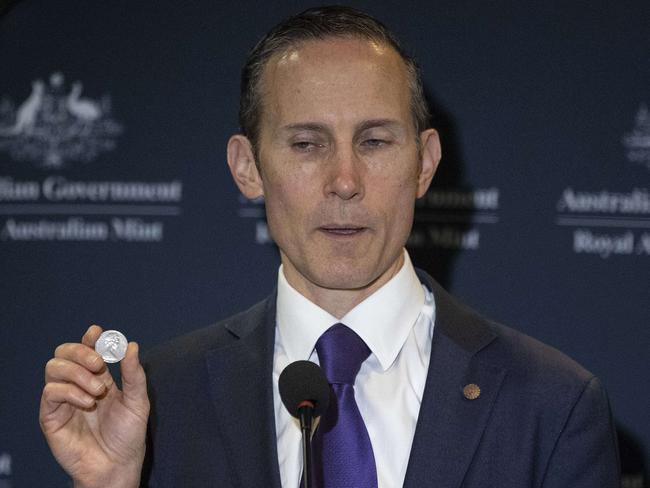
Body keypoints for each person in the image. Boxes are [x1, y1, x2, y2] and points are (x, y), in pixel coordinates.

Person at [39, 6, 620, 487]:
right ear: (247, 167)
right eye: (307, 144)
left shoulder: (553, 405)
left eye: (374, 140)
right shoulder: (161, 403)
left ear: (425, 164)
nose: (345, 180)